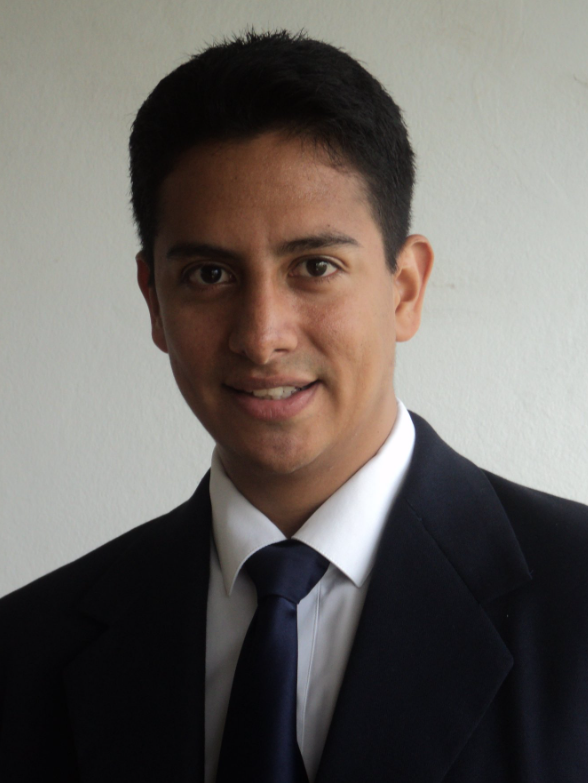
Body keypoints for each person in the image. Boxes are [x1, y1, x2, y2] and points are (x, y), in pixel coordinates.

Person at [1, 30, 588, 783]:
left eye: (315, 266)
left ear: (405, 289)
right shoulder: (23, 652)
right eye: (209, 275)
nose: (262, 335)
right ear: (154, 302)